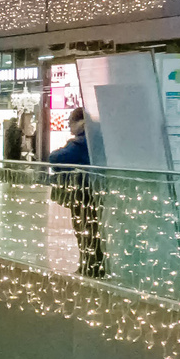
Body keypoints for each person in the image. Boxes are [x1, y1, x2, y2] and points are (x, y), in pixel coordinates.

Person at [47, 107, 105, 279]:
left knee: (85, 229)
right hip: (94, 189)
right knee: (90, 229)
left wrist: (63, 148)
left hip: (82, 191)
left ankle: (90, 266)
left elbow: (56, 158)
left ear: (78, 123)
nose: (69, 127)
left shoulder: (80, 142)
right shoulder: (96, 138)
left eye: (70, 123)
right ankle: (92, 265)